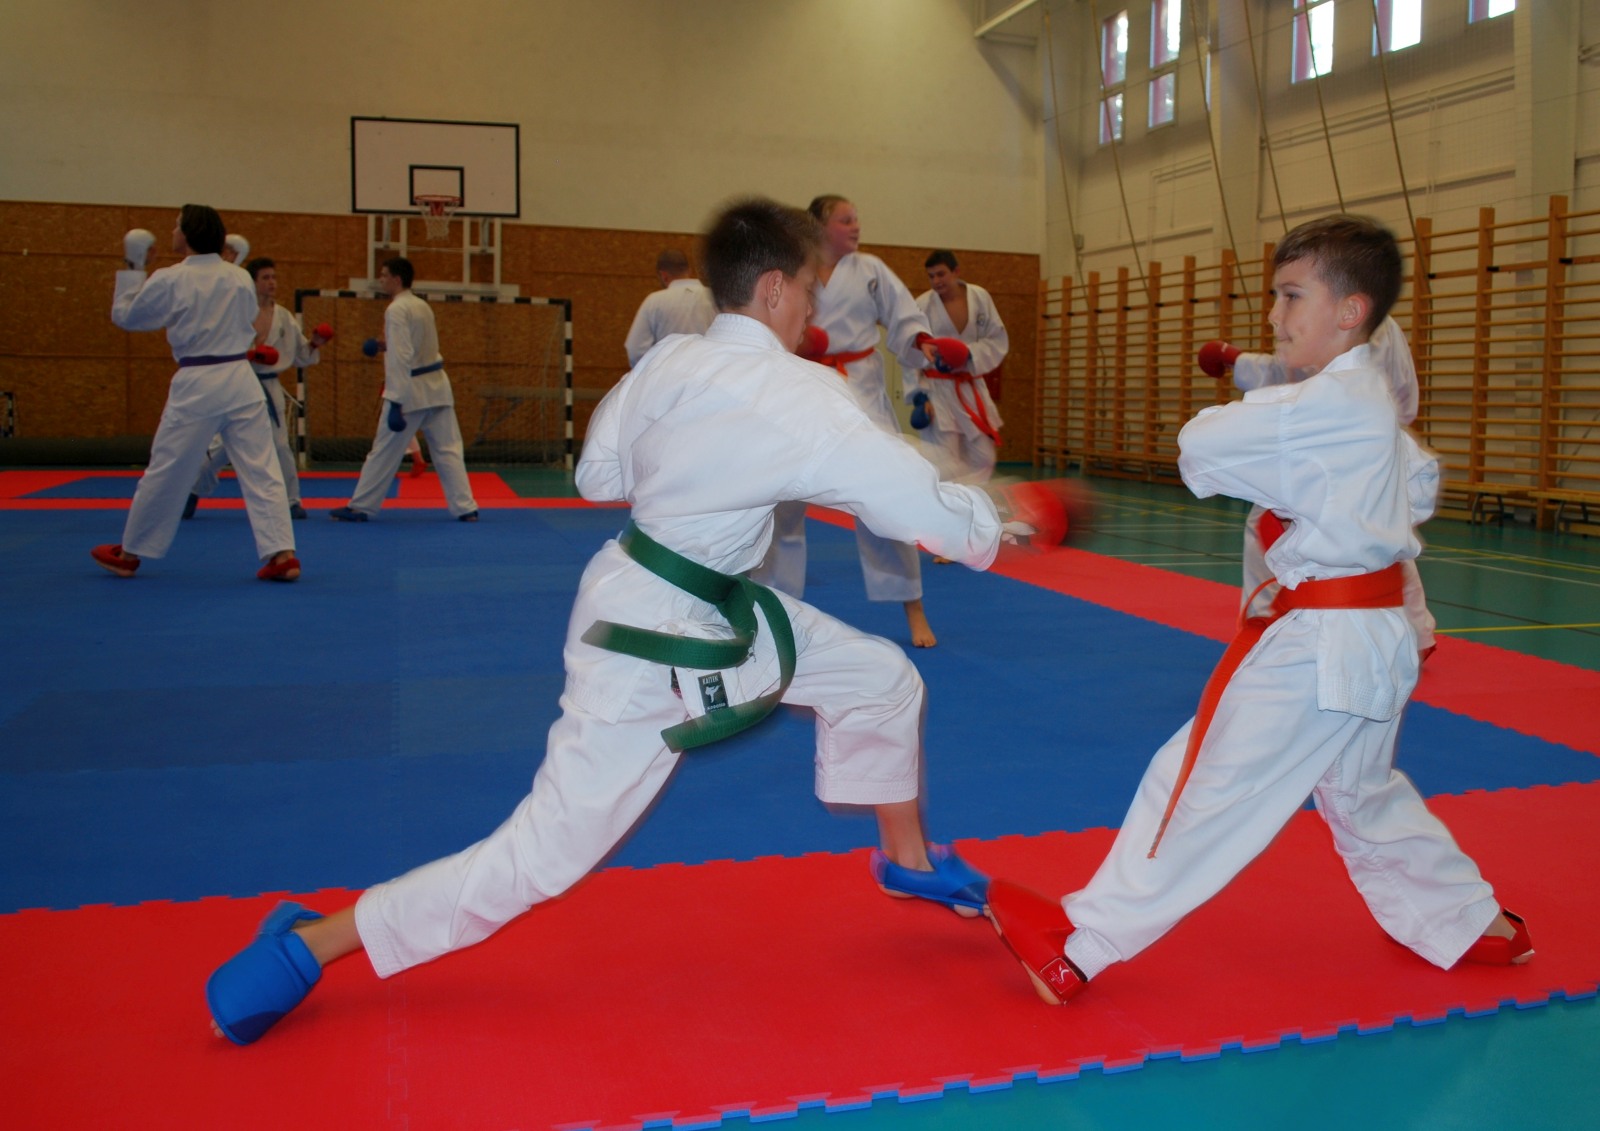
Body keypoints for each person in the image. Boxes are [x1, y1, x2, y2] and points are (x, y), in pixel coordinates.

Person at [205, 197, 1076, 1046]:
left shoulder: (670, 361)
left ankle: (908, 861)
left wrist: (702, 468)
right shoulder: (800, 392)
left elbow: (597, 476)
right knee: (540, 854)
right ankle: (311, 942)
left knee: (881, 677)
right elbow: (910, 503)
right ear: (773, 288)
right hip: (656, 642)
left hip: (683, 595)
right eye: (810, 290)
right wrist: (1004, 518)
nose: (814, 310)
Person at [987, 215, 1532, 1008]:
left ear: (1350, 310)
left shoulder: (1330, 404)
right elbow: (1417, 486)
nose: (1274, 315)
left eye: (1291, 296)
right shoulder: (1367, 399)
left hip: (1326, 642)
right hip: (1377, 637)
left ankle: (1080, 946)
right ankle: (1465, 920)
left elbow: (1202, 446)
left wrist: (1287, 472)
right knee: (1360, 791)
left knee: (1199, 776)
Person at [754, 195, 945, 647]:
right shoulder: (789, 269)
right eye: (846, 219)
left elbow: (903, 315)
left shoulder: (870, 269)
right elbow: (763, 320)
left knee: (886, 498)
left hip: (859, 388)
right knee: (782, 502)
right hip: (801, 387)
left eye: (856, 218)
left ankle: (913, 607)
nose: (856, 225)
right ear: (821, 226)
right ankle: (775, 606)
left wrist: (920, 339)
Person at [1200, 317, 1437, 657]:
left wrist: (1236, 360)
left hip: (1332, 440)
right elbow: (1401, 390)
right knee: (1381, 537)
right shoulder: (1384, 322)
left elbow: (1295, 373)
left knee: (1267, 523)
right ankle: (1417, 634)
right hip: (1380, 441)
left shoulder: (1335, 317)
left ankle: (1262, 630)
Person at [91, 205, 300, 582]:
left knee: (168, 468)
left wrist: (135, 266)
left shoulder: (171, 278)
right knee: (261, 468)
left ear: (187, 234)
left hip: (199, 382)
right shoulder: (239, 277)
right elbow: (246, 318)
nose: (172, 232)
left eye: (176, 226)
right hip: (241, 379)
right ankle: (283, 554)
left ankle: (130, 552)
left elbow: (128, 317)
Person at [328, 256, 479, 522]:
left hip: (410, 391)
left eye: (384, 275)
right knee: (449, 450)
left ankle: (361, 506)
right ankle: (466, 508)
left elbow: (402, 355)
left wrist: (396, 401)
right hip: (437, 387)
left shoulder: (396, 309)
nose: (381, 280)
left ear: (397, 280)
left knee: (384, 451)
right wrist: (383, 345)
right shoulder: (422, 305)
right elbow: (417, 345)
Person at [185, 257, 328, 521]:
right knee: (220, 447)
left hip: (270, 386)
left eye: (274, 277)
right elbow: (218, 345)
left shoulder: (284, 317)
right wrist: (249, 355)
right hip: (238, 383)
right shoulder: (237, 312)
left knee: (280, 445)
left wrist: (315, 343)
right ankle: (192, 490)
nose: (272, 282)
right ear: (252, 282)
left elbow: (300, 354)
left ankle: (291, 501)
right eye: (265, 277)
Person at [908, 250, 1009, 487]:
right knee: (945, 458)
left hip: (969, 385)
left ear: (956, 272)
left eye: (941, 274)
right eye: (931, 276)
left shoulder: (980, 297)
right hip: (937, 389)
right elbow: (910, 352)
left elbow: (997, 338)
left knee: (984, 457)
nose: (936, 281)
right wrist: (919, 396)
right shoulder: (922, 305)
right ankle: (946, 499)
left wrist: (968, 354)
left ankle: (970, 496)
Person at [623, 248, 716, 365]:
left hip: (667, 372)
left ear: (663, 276)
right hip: (709, 370)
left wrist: (654, 370)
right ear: (689, 271)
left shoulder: (654, 301)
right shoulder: (716, 297)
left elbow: (635, 350)